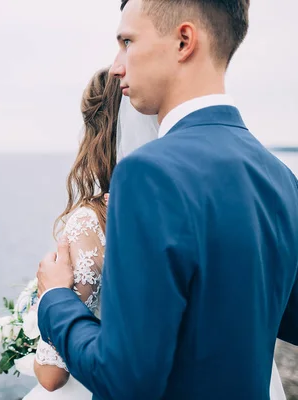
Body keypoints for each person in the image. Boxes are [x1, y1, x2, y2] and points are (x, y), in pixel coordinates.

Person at [36, 0, 298, 399]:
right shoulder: (278, 175)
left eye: (127, 41)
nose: (118, 65)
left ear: (184, 41)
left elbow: (125, 379)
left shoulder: (147, 174)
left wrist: (55, 298)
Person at [24, 68, 159, 399]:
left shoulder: (90, 221)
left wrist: (47, 307)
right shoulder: (173, 208)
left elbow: (53, 376)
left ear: (97, 132)